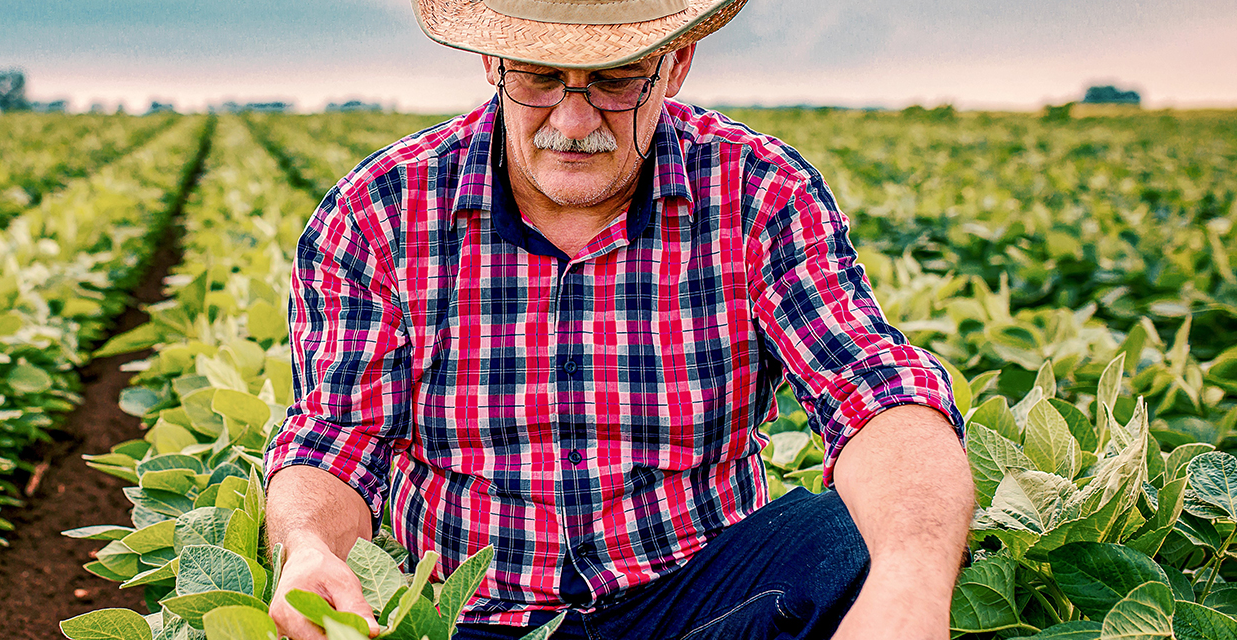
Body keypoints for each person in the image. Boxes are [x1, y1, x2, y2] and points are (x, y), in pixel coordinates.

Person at [262, 0, 975, 638]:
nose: (574, 121)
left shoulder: (758, 190)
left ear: (677, 64)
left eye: (615, 78)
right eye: (540, 77)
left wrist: (905, 591)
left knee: (863, 536)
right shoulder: (379, 211)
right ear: (492, 65)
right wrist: (309, 548)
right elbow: (335, 441)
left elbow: (874, 391)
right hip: (473, 614)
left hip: (700, 597)